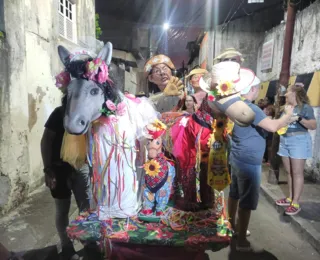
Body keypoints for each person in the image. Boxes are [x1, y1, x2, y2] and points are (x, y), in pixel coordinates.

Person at [227, 72, 296, 251]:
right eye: (257, 88)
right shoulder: (253, 109)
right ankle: (241, 241)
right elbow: (273, 127)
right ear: (252, 89)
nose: (259, 91)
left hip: (237, 156)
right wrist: (287, 114)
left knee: (234, 193)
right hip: (249, 161)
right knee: (246, 200)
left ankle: (232, 227)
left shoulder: (236, 105)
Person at [41, 95, 90, 260]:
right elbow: (46, 140)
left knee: (86, 209)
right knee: (62, 210)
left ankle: (89, 243)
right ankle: (67, 246)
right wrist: (48, 169)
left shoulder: (87, 114)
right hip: (58, 169)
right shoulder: (59, 113)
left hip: (81, 167)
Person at [276, 83, 317, 215]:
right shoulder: (286, 108)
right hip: (285, 139)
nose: (285, 94)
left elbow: (313, 125)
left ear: (294, 94)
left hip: (298, 140)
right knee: (289, 172)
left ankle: (296, 202)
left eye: (288, 91)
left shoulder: (305, 108)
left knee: (297, 172)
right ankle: (290, 198)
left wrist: (298, 118)